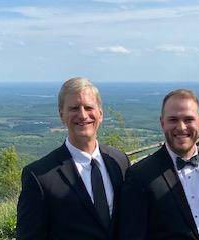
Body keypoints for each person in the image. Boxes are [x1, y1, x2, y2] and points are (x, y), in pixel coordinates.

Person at [16, 77, 130, 240]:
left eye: (89, 107)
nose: (83, 115)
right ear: (62, 115)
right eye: (74, 108)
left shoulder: (119, 161)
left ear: (100, 114)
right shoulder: (39, 176)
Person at [118, 89, 199, 240]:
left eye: (188, 119)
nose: (181, 127)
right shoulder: (140, 175)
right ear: (162, 123)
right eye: (173, 120)